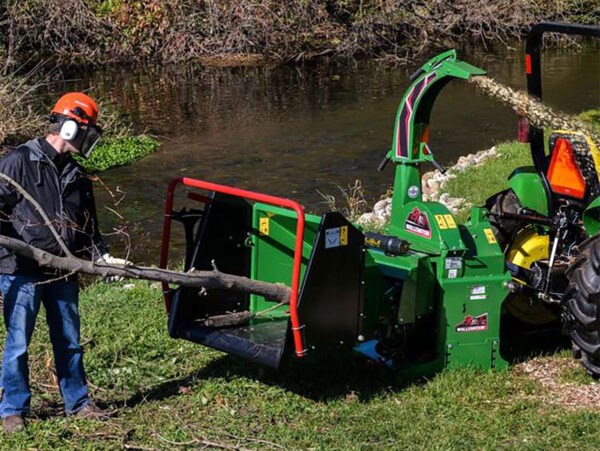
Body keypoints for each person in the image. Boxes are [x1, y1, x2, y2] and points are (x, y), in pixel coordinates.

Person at [0, 93, 122, 433]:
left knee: (68, 339)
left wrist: (101, 256)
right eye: (87, 131)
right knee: (18, 343)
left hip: (64, 269)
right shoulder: (18, 161)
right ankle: (12, 409)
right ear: (69, 126)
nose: (88, 139)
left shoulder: (78, 175)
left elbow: (89, 224)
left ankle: (78, 402)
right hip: (21, 271)